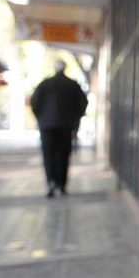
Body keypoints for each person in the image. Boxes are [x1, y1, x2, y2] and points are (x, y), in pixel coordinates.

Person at [30, 60, 88, 197]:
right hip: (66, 126)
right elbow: (83, 103)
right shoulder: (72, 85)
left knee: (48, 155)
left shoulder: (44, 84)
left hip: (47, 126)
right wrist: (75, 118)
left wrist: (42, 118)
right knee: (63, 155)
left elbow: (34, 102)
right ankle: (62, 184)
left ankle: (51, 182)